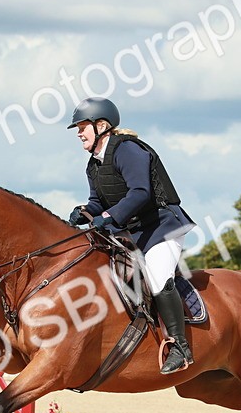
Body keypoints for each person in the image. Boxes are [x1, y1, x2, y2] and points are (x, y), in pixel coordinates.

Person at [66, 97, 197, 374]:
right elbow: (97, 202)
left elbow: (141, 193)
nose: (79, 133)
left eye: (82, 127)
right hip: (132, 232)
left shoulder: (127, 150)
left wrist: (108, 218)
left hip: (161, 227)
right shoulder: (94, 164)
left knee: (158, 276)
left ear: (101, 126)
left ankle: (180, 346)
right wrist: (85, 211)